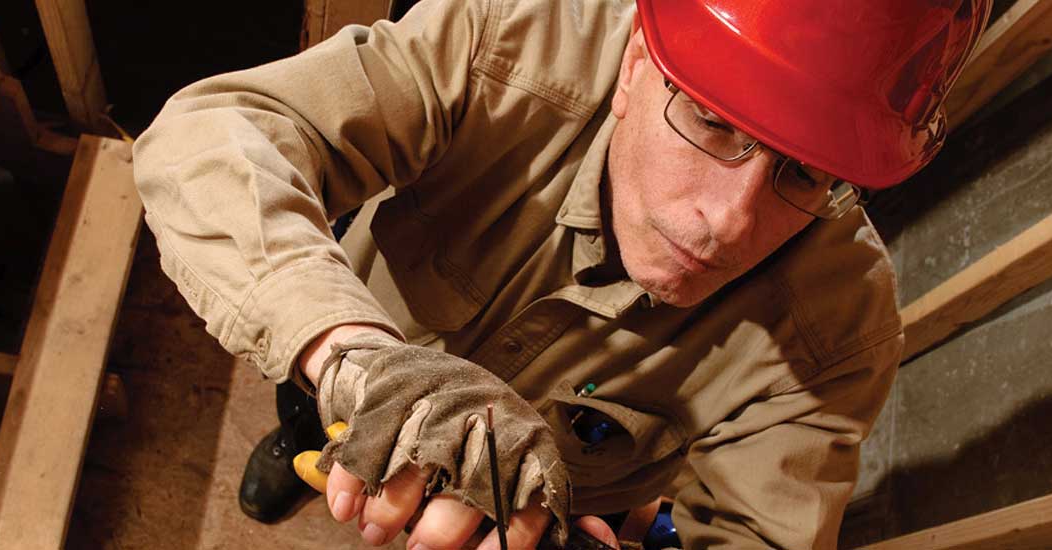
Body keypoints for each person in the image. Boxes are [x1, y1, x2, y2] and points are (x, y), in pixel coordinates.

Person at [132, 0, 991, 548]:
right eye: (714, 122)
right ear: (633, 69)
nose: (727, 221)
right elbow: (215, 134)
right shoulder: (511, 41)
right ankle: (297, 445)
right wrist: (352, 354)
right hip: (342, 371)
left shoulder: (841, 334)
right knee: (308, 413)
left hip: (537, 528)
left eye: (801, 173)